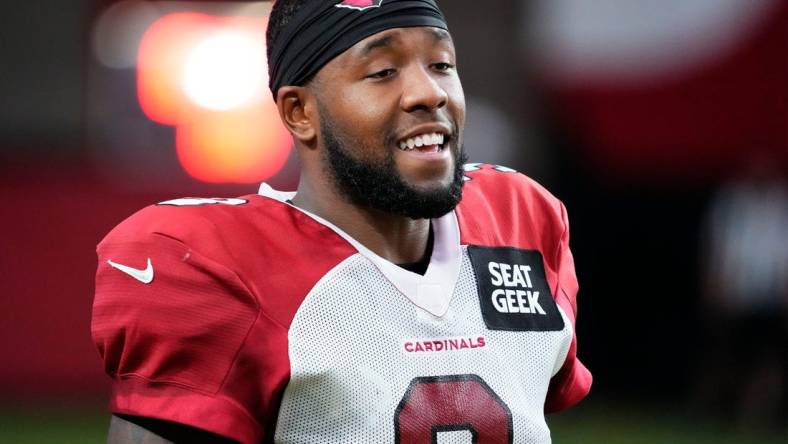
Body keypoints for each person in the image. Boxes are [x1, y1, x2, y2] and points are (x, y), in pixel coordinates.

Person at [92, 0, 592, 442]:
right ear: (300, 112)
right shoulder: (217, 267)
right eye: (382, 72)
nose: (429, 93)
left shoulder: (519, 219)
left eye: (441, 63)